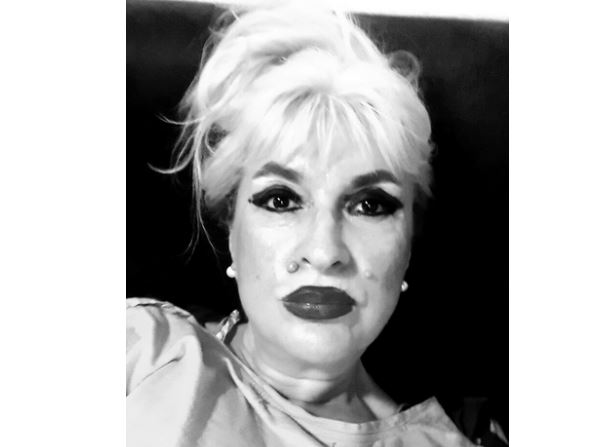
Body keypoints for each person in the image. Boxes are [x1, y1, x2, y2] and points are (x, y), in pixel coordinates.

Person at [127, 2, 503, 446]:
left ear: (410, 238)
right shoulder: (141, 348)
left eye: (369, 205)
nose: (324, 252)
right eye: (281, 200)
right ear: (231, 223)